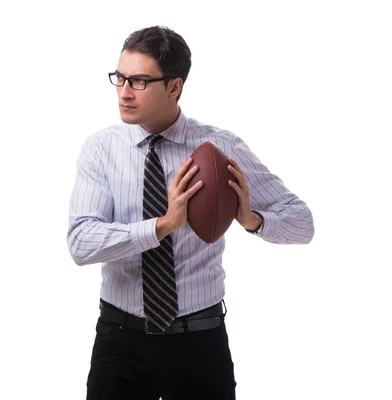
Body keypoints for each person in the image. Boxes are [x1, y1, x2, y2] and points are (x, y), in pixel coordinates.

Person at [66, 25, 314, 400]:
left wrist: (254, 221)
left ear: (174, 87)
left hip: (199, 340)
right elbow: (81, 243)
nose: (124, 92)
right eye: (119, 78)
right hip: (119, 345)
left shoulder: (220, 148)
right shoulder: (101, 149)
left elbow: (303, 223)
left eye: (138, 81)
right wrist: (162, 226)